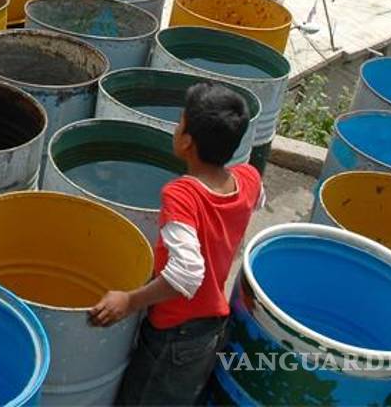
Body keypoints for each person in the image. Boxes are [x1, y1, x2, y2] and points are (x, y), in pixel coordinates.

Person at [90, 82, 264, 406]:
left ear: (186, 142)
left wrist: (129, 300)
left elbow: (187, 274)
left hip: (173, 336)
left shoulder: (182, 195)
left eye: (180, 122)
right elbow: (256, 201)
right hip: (209, 328)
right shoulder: (248, 177)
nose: (176, 127)